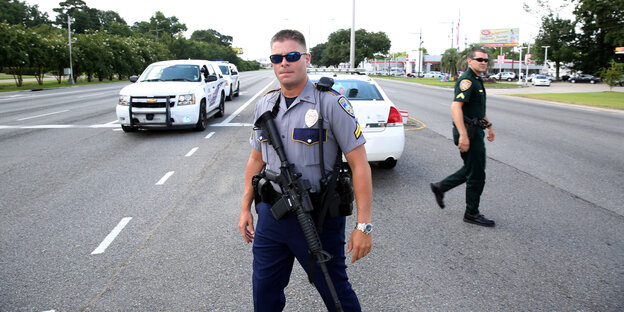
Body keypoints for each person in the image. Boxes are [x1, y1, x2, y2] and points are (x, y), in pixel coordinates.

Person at [238, 29, 373, 311]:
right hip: (272, 217)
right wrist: (245, 209)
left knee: (336, 294)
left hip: (317, 218)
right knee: (264, 294)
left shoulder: (331, 103)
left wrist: (364, 225)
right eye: (277, 57)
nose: (284, 62)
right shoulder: (265, 105)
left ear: (306, 58)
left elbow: (360, 165)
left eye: (292, 56)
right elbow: (255, 160)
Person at [430, 47, 496, 227]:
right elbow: (455, 107)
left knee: (472, 169)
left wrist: (489, 126)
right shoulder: (467, 80)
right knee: (477, 174)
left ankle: (440, 187)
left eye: (485, 60)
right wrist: (464, 136)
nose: (483, 62)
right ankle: (471, 213)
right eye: (480, 59)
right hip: (468, 132)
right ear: (470, 61)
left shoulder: (476, 79)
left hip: (475, 131)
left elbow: (478, 110)